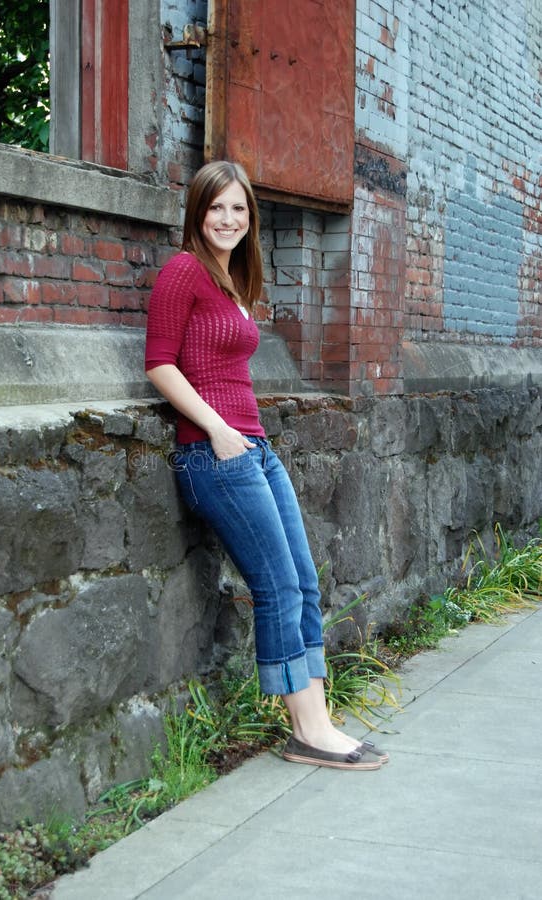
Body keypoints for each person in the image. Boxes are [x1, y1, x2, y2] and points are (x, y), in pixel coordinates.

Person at [144, 160, 388, 770]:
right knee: (277, 586)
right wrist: (219, 430)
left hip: (253, 446)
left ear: (250, 218)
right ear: (197, 213)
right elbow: (159, 364)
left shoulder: (230, 282)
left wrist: (241, 433)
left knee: (303, 579)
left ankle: (319, 719)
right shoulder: (182, 273)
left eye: (238, 209)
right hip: (213, 453)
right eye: (216, 207)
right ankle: (307, 731)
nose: (227, 219)